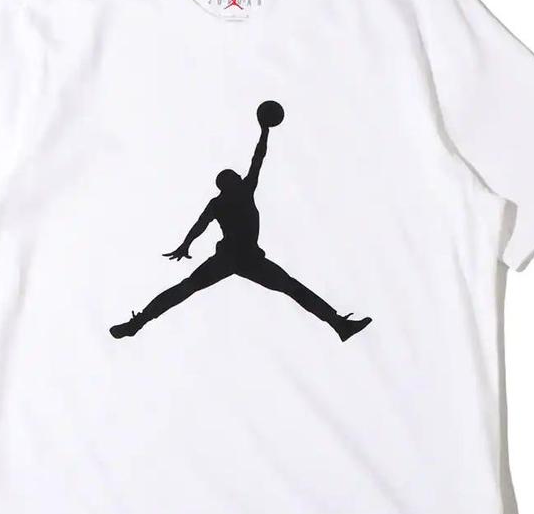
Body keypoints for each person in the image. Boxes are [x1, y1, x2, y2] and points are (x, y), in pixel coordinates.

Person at [110, 101, 373, 342]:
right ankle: (339, 324)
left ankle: (339, 325)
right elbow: (255, 161)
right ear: (229, 182)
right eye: (234, 176)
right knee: (287, 287)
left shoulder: (228, 197)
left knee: (192, 287)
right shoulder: (238, 193)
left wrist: (186, 244)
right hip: (237, 258)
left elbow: (203, 221)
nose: (238, 176)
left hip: (244, 258)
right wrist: (264, 131)